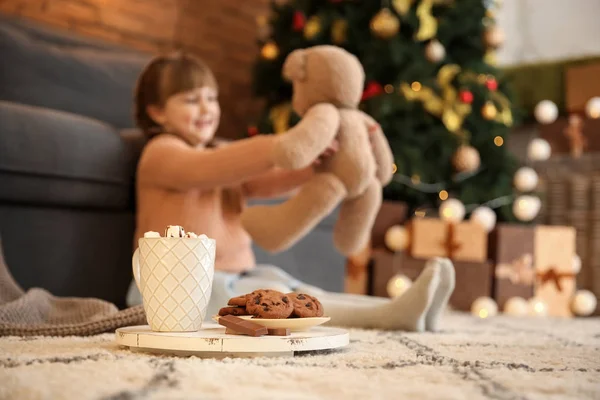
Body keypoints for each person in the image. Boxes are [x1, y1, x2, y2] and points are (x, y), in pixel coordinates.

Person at [126, 51, 455, 332]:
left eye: (211, 98)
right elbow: (210, 167)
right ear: (157, 112)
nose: (206, 108)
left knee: (299, 293)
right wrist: (282, 145)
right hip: (175, 290)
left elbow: (264, 180)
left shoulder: (220, 153)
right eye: (191, 100)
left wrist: (312, 163)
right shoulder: (161, 153)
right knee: (280, 299)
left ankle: (399, 307)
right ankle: (387, 316)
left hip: (237, 274)